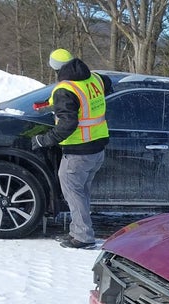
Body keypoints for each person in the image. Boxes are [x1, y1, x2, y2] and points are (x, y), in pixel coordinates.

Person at [31, 49, 113, 249]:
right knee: (81, 192)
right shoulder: (94, 78)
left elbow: (68, 123)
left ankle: (82, 236)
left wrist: (44, 140)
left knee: (73, 193)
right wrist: (52, 105)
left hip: (78, 151)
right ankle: (83, 229)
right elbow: (105, 85)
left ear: (56, 68)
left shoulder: (64, 89)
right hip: (97, 148)